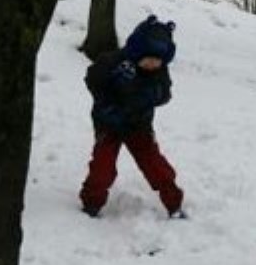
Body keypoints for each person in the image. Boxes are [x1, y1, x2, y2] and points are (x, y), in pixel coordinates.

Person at [79, 15, 186, 219]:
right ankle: (91, 203)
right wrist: (114, 83)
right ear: (137, 52)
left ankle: (174, 203)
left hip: (139, 125)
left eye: (158, 61)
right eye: (149, 59)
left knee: (156, 166)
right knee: (103, 168)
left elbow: (164, 95)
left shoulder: (159, 73)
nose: (153, 65)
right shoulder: (116, 61)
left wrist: (148, 92)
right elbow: (92, 78)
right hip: (109, 124)